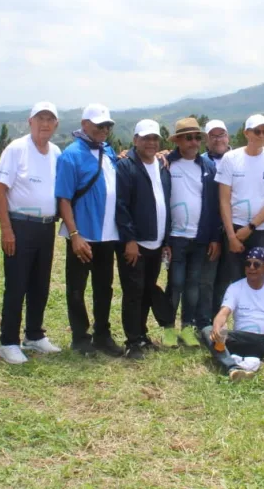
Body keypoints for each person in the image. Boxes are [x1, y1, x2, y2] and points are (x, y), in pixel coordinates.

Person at [0, 101, 63, 365]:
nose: (45, 124)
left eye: (50, 120)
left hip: (45, 226)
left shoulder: (55, 152)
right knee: (17, 285)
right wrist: (6, 230)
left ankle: (34, 334)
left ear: (56, 124)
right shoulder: (16, 149)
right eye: (40, 119)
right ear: (30, 122)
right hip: (20, 225)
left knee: (40, 285)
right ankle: (7, 342)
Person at [55, 103, 125, 357]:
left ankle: (102, 334)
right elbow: (63, 198)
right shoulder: (71, 155)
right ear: (84, 125)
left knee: (104, 287)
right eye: (99, 125)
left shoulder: (107, 151)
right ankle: (80, 337)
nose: (104, 130)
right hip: (83, 235)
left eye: (107, 126)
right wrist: (74, 235)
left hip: (107, 234)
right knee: (77, 287)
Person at [201, 247, 264, 392]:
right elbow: (223, 312)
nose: (251, 268)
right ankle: (233, 368)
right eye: (247, 264)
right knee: (208, 330)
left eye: (256, 264)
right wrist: (217, 327)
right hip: (241, 339)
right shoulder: (235, 287)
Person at [115, 120, 176, 359]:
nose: (151, 143)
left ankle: (141, 336)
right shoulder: (126, 166)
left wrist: (166, 241)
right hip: (135, 243)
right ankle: (132, 341)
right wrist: (129, 240)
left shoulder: (162, 166)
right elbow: (121, 206)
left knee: (146, 289)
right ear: (135, 140)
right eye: (146, 138)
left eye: (155, 139)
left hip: (157, 241)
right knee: (133, 292)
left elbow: (165, 205)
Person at [164, 118, 222, 345]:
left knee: (193, 286)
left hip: (199, 238)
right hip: (175, 238)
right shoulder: (166, 164)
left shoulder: (208, 167)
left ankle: (188, 330)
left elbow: (215, 204)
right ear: (177, 140)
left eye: (197, 137)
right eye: (188, 137)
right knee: (175, 284)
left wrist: (215, 237)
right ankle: (169, 330)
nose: (194, 141)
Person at [215, 114, 264, 285]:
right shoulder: (230, 158)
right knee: (238, 281)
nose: (262, 135)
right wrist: (231, 236)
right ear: (246, 133)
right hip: (235, 230)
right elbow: (224, 200)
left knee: (260, 281)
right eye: (257, 131)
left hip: (262, 231)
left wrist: (251, 227)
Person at [203, 119, 232, 318]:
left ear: (228, 136)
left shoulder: (239, 158)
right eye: (213, 136)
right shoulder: (200, 161)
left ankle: (218, 320)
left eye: (221, 134)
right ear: (206, 140)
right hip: (209, 228)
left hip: (234, 228)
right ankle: (204, 320)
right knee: (207, 278)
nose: (218, 139)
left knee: (226, 278)